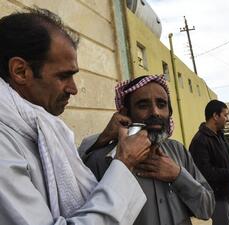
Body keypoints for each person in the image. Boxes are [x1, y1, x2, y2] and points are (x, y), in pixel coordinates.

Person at [0, 8, 153, 225]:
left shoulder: (42, 124)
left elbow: (60, 176)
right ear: (20, 71)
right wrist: (124, 163)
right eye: (64, 76)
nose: (73, 89)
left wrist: (101, 140)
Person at [81, 75, 215, 225]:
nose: (155, 112)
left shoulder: (178, 151)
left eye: (161, 104)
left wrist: (178, 175)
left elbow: (207, 209)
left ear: (169, 112)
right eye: (143, 105)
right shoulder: (104, 159)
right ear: (125, 114)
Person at [189, 100, 229, 225]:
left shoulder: (220, 135)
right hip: (218, 199)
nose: (227, 119)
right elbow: (205, 172)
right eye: (225, 115)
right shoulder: (200, 141)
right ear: (215, 116)